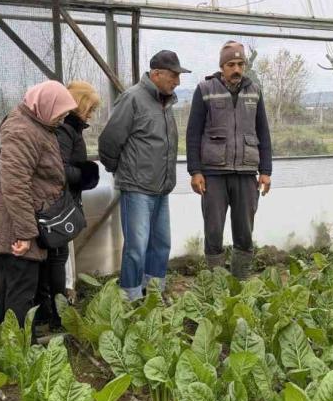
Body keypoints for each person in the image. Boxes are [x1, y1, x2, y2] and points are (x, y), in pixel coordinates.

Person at [0, 80, 76, 325]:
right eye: (60, 112)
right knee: (21, 290)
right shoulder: (21, 131)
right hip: (14, 222)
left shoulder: (35, 124)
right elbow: (15, 186)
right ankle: (18, 344)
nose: (62, 118)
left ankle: (6, 340)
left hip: (20, 218)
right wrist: (25, 234)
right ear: (44, 105)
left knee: (12, 287)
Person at [98, 50, 189, 301]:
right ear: (156, 74)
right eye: (173, 75)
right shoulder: (133, 99)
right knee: (137, 247)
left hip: (161, 187)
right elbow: (108, 141)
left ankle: (154, 292)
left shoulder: (165, 102)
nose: (177, 81)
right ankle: (131, 296)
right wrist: (121, 170)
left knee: (161, 243)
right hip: (137, 188)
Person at [186, 41, 273, 279]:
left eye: (240, 64)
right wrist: (195, 171)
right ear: (222, 66)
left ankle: (240, 282)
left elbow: (263, 132)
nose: (236, 69)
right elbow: (193, 133)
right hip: (213, 174)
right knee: (213, 231)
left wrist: (266, 170)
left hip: (246, 172)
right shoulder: (205, 89)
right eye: (231, 64)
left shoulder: (254, 91)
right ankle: (217, 284)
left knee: (244, 231)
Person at [35, 81, 100, 330]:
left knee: (53, 257)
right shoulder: (65, 129)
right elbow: (57, 169)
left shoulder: (70, 128)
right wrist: (85, 174)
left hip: (61, 200)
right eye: (90, 108)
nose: (91, 114)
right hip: (57, 204)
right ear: (79, 104)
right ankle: (57, 313)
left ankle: (47, 310)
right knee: (56, 257)